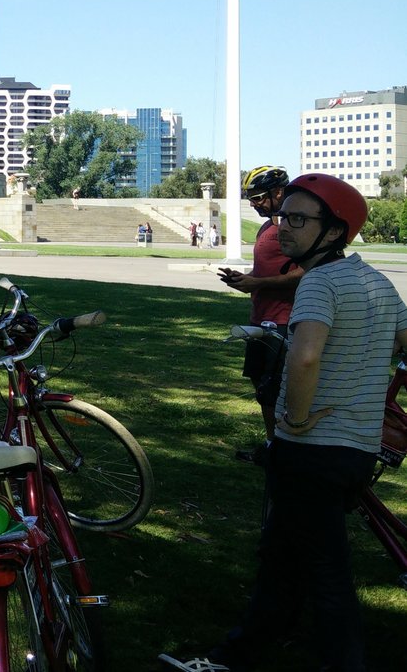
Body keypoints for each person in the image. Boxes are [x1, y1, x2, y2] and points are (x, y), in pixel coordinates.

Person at [161, 173, 407, 672]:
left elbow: (306, 357)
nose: (283, 229)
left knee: (327, 576)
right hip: (356, 452)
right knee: (281, 560)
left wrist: (294, 419)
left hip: (313, 450)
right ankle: (238, 652)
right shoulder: (376, 282)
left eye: (298, 219)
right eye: (282, 217)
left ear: (335, 231)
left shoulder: (318, 283)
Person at [217, 166, 304, 459]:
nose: (253, 204)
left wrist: (259, 282)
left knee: (281, 391)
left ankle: (290, 450)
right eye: (251, 198)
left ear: (278, 192)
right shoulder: (269, 226)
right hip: (259, 320)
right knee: (263, 389)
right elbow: (268, 270)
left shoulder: (296, 225)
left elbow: (308, 272)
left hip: (283, 322)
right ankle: (272, 447)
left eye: (258, 197)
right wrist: (245, 280)